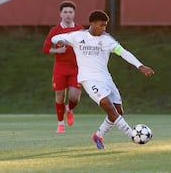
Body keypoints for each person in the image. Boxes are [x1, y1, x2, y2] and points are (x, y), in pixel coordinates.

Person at [51, 10, 155, 149]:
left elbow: (123, 52)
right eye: (101, 25)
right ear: (92, 24)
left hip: (105, 79)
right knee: (107, 104)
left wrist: (140, 66)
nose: (103, 28)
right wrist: (60, 41)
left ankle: (98, 135)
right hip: (88, 79)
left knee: (118, 111)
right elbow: (55, 38)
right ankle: (131, 134)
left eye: (105, 26)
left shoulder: (107, 40)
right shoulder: (77, 36)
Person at [43, 1, 84, 133]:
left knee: (74, 97)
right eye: (65, 12)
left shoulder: (80, 29)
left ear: (74, 14)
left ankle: (69, 109)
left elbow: (87, 46)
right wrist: (57, 51)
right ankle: (60, 124)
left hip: (76, 68)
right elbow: (46, 49)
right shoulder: (55, 31)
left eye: (70, 12)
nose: (68, 15)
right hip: (60, 68)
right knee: (59, 96)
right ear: (60, 14)